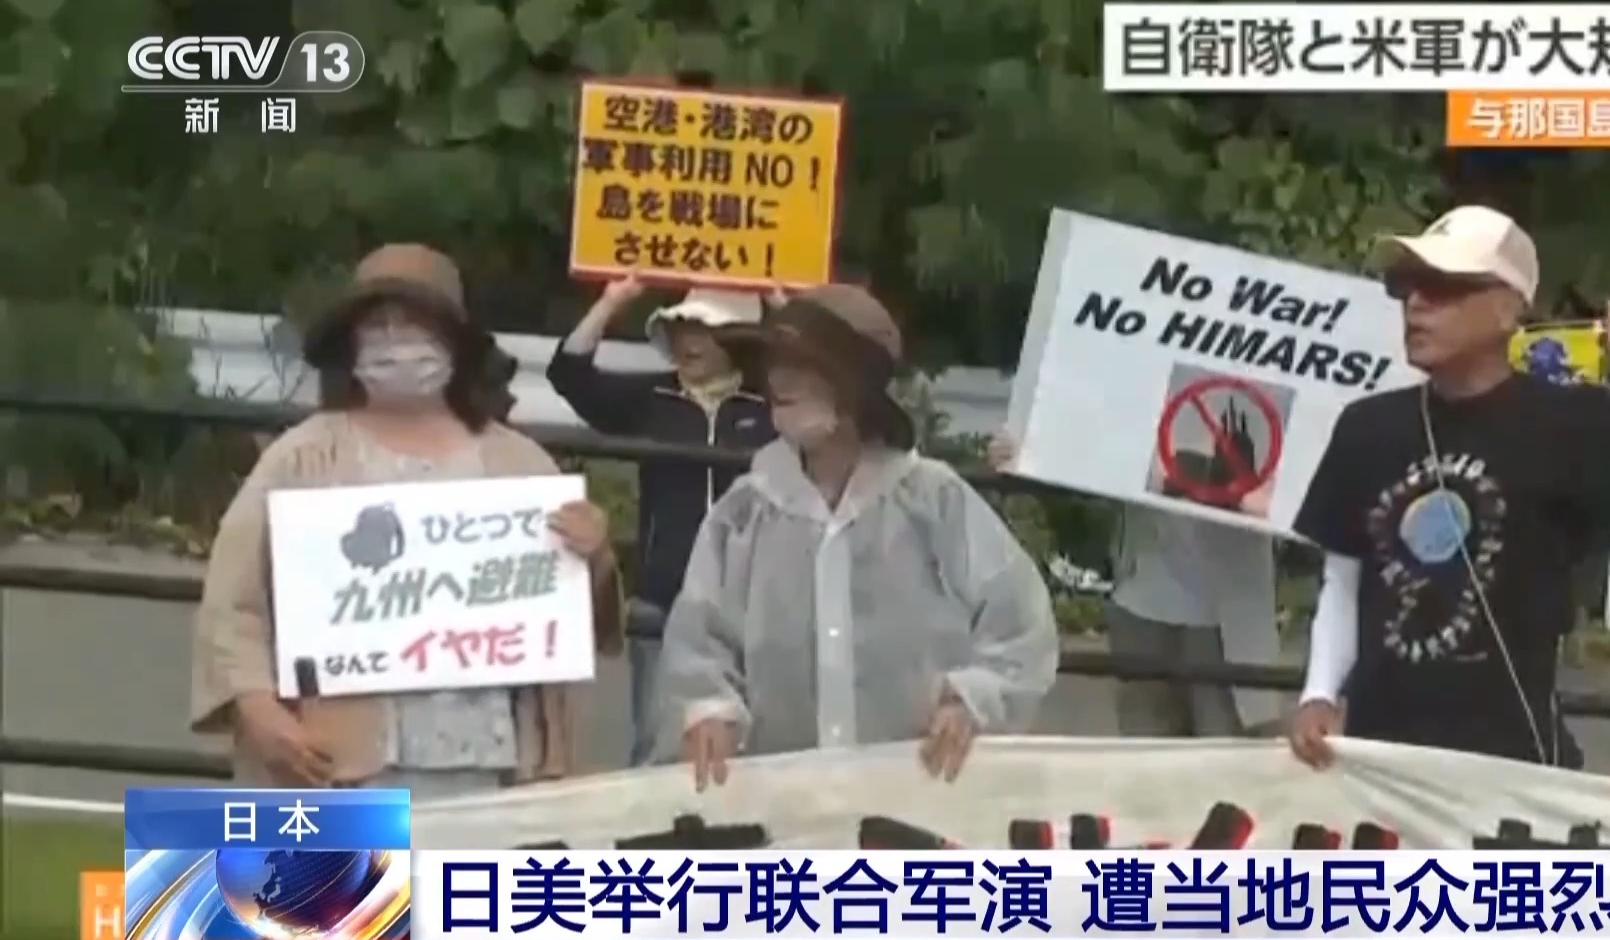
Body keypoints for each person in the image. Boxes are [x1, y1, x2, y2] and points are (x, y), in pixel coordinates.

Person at [1286, 206, 1610, 770]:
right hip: (1378, 759)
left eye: (1443, 286)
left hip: (1511, 759)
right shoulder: (1368, 427)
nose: (1416, 304)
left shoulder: (1570, 422)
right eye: (1406, 285)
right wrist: (1319, 693)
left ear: (1508, 307)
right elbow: (1343, 577)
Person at [190, 244, 626, 798]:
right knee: (342, 863)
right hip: (340, 763)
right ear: (350, 344)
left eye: (415, 322)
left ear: (455, 340)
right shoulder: (299, 459)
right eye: (377, 325)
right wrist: (255, 705)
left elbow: (574, 618)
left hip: (495, 763)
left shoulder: (523, 465)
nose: (395, 340)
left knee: (468, 861)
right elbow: (233, 601)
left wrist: (595, 557)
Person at [655, 284, 1059, 789]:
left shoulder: (934, 501)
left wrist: (971, 700)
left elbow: (1019, 620)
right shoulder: (744, 512)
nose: (779, 380)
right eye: (774, 363)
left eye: (803, 365)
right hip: (784, 802)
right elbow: (699, 636)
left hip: (920, 792)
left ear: (853, 385)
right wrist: (710, 709)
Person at [548, 277, 774, 764]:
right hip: (664, 597)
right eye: (683, 326)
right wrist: (612, 301)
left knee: (758, 746)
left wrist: (786, 307)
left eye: (708, 330)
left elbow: (840, 398)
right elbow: (568, 375)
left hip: (758, 601)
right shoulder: (652, 397)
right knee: (658, 743)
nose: (691, 340)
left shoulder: (776, 407)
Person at [988, 434, 1286, 739]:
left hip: (1227, 615)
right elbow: (1090, 435)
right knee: (1144, 751)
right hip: (1139, 600)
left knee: (1228, 751)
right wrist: (1032, 449)